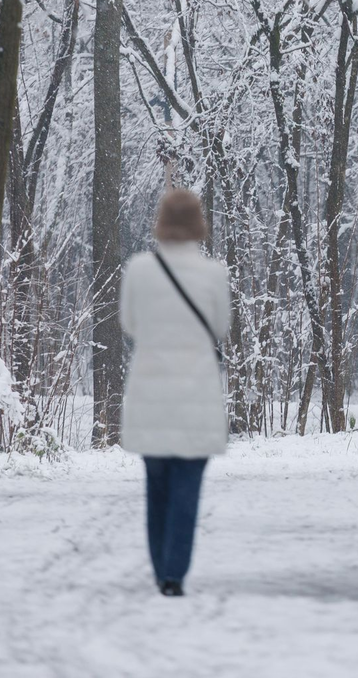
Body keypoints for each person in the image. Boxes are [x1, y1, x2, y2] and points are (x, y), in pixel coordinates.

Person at [120, 188, 230, 597]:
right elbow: (219, 327)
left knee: (157, 489)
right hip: (196, 396)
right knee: (187, 490)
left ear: (161, 224)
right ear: (199, 225)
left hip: (151, 394)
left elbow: (130, 324)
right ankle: (174, 574)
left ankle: (160, 567)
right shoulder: (213, 274)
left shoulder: (139, 270)